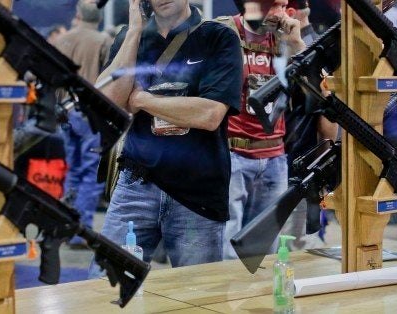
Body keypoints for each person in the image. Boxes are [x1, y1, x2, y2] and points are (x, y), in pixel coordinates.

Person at [89, 0, 242, 276]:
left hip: (198, 192)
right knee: (104, 282)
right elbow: (108, 104)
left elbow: (209, 114)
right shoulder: (129, 38)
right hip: (136, 184)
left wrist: (143, 100)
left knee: (198, 294)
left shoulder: (218, 37)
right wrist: (135, 30)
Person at [217, 0, 305, 259]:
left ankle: (256, 298)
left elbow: (314, 91)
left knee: (265, 251)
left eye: (283, 6)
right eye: (274, 6)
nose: (280, 13)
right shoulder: (226, 31)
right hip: (233, 154)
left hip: (274, 158)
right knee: (227, 248)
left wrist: (296, 45)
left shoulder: (285, 39)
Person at [278, 0, 338, 251]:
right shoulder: (320, 50)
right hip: (300, 169)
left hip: (293, 167)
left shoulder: (307, 53)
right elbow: (328, 129)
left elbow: (327, 125)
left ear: (289, 13)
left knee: (289, 252)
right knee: (295, 252)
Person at [53, 0, 113, 249]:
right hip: (92, 116)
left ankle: (67, 227)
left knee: (73, 170)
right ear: (98, 18)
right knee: (91, 171)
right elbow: (112, 77)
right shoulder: (102, 41)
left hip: (66, 112)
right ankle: (81, 231)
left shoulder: (63, 40)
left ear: (78, 16)